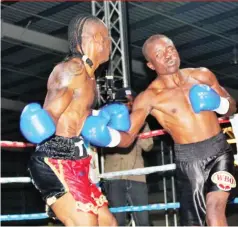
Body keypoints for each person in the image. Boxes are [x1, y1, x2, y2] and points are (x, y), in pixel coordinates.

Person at [116, 34, 237, 226]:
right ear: (151, 65)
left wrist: (220, 104)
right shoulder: (149, 97)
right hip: (189, 160)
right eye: (159, 54)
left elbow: (232, 107)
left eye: (170, 49)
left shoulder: (202, 75)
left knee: (215, 211)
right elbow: (127, 138)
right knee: (193, 223)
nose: (168, 55)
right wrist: (107, 135)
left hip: (219, 152)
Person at [21, 14, 130, 226]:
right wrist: (39, 123)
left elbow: (78, 114)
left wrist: (102, 116)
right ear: (96, 39)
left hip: (77, 159)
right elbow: (51, 113)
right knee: (86, 222)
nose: (110, 44)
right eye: (108, 38)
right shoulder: (73, 69)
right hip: (54, 158)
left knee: (108, 223)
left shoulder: (90, 76)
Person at [103, 88, 154, 226]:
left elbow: (148, 146)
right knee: (117, 221)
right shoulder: (107, 120)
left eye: (132, 101)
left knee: (143, 220)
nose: (129, 104)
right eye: (125, 101)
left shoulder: (142, 122)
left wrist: (139, 127)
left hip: (136, 175)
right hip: (114, 176)